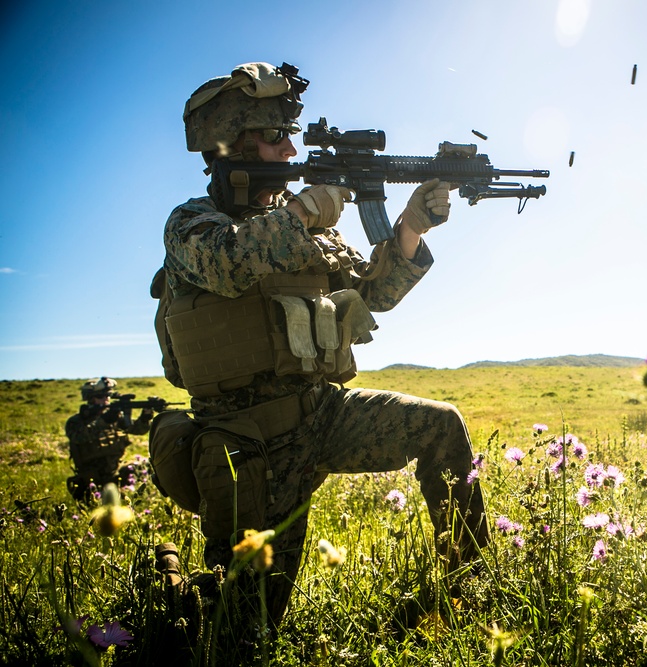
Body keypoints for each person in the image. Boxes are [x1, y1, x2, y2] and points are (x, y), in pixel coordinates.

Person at [151, 62, 488, 628]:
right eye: (274, 136)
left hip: (324, 413)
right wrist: (303, 212)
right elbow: (231, 264)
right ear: (230, 142)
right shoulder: (192, 224)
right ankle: (170, 581)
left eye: (291, 135)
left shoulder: (307, 228)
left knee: (441, 427)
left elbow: (371, 293)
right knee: (242, 627)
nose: (289, 151)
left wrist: (409, 227)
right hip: (246, 438)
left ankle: (472, 589)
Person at [65, 377, 154, 501]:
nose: (106, 399)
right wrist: (104, 421)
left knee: (147, 467)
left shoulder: (114, 417)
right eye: (101, 396)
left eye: (108, 395)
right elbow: (78, 437)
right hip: (91, 479)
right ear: (90, 398)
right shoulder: (76, 421)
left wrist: (145, 418)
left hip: (115, 473)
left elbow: (135, 429)